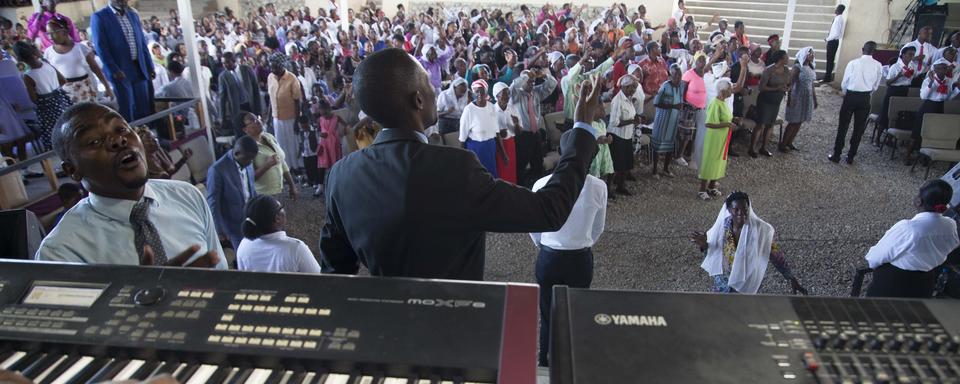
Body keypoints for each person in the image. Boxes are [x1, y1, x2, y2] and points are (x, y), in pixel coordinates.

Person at [319, 48, 599, 281]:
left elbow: (335, 272)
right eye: (429, 83)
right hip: (458, 333)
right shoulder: (456, 168)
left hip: (388, 337)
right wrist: (582, 131)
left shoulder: (341, 175)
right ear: (418, 99)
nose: (434, 90)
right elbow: (548, 210)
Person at [36, 102, 226, 269]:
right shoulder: (61, 252)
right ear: (72, 170)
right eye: (95, 141)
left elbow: (223, 279)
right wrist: (142, 298)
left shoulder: (188, 196)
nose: (118, 140)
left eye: (122, 129)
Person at [529, 168, 606, 367]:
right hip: (579, 259)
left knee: (547, 312)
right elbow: (598, 228)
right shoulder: (598, 186)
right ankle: (574, 361)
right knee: (577, 311)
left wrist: (546, 245)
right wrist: (581, 242)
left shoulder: (542, 183)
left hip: (549, 257)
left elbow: (534, 227)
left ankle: (544, 360)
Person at [690, 192, 806, 294]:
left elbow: (775, 255)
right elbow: (712, 253)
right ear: (729, 210)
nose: (742, 213)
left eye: (745, 209)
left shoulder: (760, 230)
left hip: (745, 285)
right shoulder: (722, 228)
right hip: (723, 284)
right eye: (736, 210)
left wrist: (791, 279)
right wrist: (704, 245)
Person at [865, 180, 959, 298]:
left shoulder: (908, 228)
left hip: (894, 283)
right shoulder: (950, 224)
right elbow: (952, 245)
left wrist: (872, 262)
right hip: (925, 282)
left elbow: (876, 257)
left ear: (919, 201)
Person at [90, 0, 155, 122]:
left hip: (139, 68)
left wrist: (149, 66)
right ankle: (130, 137)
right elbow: (101, 47)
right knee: (127, 109)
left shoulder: (133, 15)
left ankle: (146, 136)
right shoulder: (100, 17)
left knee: (144, 107)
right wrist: (114, 69)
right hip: (120, 71)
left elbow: (142, 43)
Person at [237, 195, 322, 273]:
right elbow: (319, 280)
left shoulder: (244, 244)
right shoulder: (295, 248)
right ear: (277, 218)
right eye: (281, 208)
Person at [831, 41, 882, 165]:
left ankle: (837, 155)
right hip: (865, 97)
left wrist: (846, 92)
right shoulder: (878, 65)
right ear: (874, 51)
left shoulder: (854, 63)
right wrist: (868, 91)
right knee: (858, 129)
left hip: (851, 95)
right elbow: (876, 84)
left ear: (862, 49)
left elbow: (845, 81)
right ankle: (850, 156)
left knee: (843, 126)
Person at [14, 40, 71, 152]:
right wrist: (53, 89)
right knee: (67, 128)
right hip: (61, 101)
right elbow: (63, 80)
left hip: (47, 109)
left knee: (55, 135)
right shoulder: (46, 63)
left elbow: (34, 99)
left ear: (19, 59)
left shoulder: (28, 76)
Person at [207, 136, 259, 251]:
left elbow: (251, 190)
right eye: (248, 159)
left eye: (252, 159)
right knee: (243, 256)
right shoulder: (218, 170)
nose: (251, 162)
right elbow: (213, 203)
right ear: (237, 153)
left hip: (250, 220)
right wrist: (219, 230)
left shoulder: (247, 161)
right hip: (233, 225)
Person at [44, 18, 113, 104]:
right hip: (65, 92)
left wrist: (107, 87)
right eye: (48, 33)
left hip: (85, 90)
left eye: (53, 32)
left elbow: (96, 69)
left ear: (65, 31)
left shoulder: (80, 48)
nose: (50, 37)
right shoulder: (48, 52)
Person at [510, 67, 558, 187]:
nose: (531, 84)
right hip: (522, 136)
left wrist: (544, 75)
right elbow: (513, 86)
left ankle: (538, 189)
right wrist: (527, 75)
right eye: (528, 81)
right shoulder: (516, 94)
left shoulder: (536, 92)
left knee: (538, 164)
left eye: (532, 81)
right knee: (521, 166)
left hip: (536, 134)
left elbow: (552, 84)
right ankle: (520, 191)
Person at [242, 112, 298, 199]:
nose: (258, 121)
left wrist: (292, 185)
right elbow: (249, 178)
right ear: (245, 129)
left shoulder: (269, 137)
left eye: (258, 118)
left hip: (279, 189)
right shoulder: (246, 148)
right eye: (253, 120)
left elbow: (282, 162)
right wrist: (267, 165)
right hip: (263, 195)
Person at [697, 79, 736, 200]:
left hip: (722, 137)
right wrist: (727, 125)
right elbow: (709, 123)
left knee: (719, 160)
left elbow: (725, 118)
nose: (731, 90)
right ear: (723, 90)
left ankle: (712, 186)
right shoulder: (715, 103)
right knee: (710, 160)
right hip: (714, 138)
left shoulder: (723, 102)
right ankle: (702, 189)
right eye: (730, 88)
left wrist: (733, 121)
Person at [266, 52, 303, 171]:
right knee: (281, 144)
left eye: (275, 67)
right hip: (277, 118)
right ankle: (287, 168)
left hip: (291, 118)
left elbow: (298, 102)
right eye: (271, 67)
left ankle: (296, 167)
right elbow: (271, 99)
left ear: (282, 66)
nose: (272, 70)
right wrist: (268, 118)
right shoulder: (270, 77)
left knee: (292, 144)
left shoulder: (292, 79)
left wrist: (297, 121)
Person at [607, 74, 642, 195]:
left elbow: (630, 115)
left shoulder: (629, 98)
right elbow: (614, 122)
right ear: (626, 87)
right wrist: (632, 121)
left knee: (626, 163)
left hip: (626, 135)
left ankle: (621, 186)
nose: (635, 90)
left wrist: (635, 117)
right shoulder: (618, 100)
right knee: (615, 164)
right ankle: (608, 188)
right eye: (633, 87)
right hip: (617, 136)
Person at [459, 80, 502, 178]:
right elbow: (462, 139)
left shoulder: (491, 107)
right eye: (476, 91)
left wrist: (503, 153)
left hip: (490, 147)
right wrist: (463, 160)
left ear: (486, 92)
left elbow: (497, 131)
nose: (479, 94)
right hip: (476, 149)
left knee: (492, 176)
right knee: (479, 177)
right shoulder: (469, 110)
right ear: (473, 93)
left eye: (482, 91)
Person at [751, 49, 789, 158]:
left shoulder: (786, 70)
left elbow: (789, 82)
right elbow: (761, 87)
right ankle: (752, 148)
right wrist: (776, 88)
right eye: (786, 57)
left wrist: (787, 87)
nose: (788, 59)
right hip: (766, 100)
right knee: (761, 124)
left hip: (776, 101)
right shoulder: (769, 70)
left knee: (770, 124)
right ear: (781, 59)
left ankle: (764, 147)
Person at [650, 64, 685, 179]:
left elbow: (680, 100)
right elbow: (656, 103)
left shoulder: (681, 86)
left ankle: (666, 169)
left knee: (670, 144)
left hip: (673, 120)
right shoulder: (665, 86)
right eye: (676, 76)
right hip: (663, 119)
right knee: (658, 144)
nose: (678, 78)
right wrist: (673, 106)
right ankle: (655, 170)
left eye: (680, 76)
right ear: (671, 76)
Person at [781, 47, 818, 152]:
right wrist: (790, 98)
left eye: (813, 53)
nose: (812, 55)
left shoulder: (811, 67)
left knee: (800, 121)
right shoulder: (797, 67)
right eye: (810, 53)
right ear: (804, 54)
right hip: (797, 96)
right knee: (793, 121)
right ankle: (783, 144)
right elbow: (790, 83)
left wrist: (815, 99)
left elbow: (812, 85)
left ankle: (790, 142)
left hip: (807, 97)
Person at [878, 46, 917, 130]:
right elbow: (888, 82)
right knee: (886, 113)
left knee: (899, 113)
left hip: (905, 90)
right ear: (903, 55)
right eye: (910, 54)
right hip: (894, 90)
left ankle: (892, 135)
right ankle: (879, 135)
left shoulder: (912, 66)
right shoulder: (895, 67)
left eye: (913, 55)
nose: (912, 57)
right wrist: (898, 76)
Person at [218, 52, 258, 136]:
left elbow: (255, 90)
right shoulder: (223, 76)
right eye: (223, 63)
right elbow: (222, 98)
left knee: (254, 131)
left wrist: (259, 110)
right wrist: (223, 117)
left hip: (249, 105)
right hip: (236, 109)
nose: (224, 65)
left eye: (226, 62)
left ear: (233, 60)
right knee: (241, 133)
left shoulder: (247, 70)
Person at [678, 53, 707, 168]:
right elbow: (682, 92)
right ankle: (679, 155)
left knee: (697, 133)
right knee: (686, 134)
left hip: (701, 108)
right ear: (695, 61)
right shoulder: (689, 74)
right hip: (689, 108)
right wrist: (688, 104)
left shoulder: (706, 74)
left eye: (704, 60)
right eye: (699, 60)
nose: (702, 63)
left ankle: (690, 155)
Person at [315, 99, 344, 196]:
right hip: (324, 144)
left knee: (335, 164)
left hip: (334, 144)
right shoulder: (320, 119)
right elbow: (318, 130)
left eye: (326, 113)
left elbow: (346, 125)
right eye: (322, 113)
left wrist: (344, 131)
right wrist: (320, 134)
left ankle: (336, 184)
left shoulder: (337, 117)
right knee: (321, 164)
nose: (325, 115)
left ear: (329, 109)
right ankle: (320, 186)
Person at [493, 82, 519, 184]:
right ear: (497, 95)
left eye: (508, 94)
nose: (507, 97)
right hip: (499, 146)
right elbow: (494, 133)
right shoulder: (492, 110)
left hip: (511, 143)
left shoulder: (512, 108)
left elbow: (519, 131)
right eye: (504, 94)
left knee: (511, 170)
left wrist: (516, 124)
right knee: (502, 172)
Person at [821, 4, 845, 84]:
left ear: (839, 10)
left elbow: (836, 33)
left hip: (833, 41)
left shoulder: (839, 19)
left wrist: (827, 39)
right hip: (833, 41)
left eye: (837, 8)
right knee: (829, 59)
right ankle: (827, 76)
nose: (835, 9)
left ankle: (827, 78)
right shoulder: (838, 18)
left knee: (830, 60)